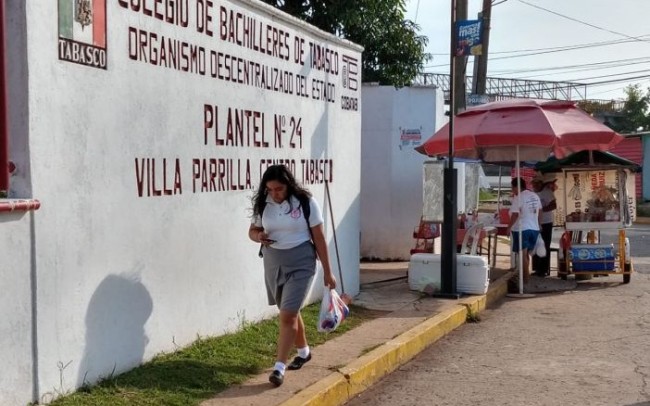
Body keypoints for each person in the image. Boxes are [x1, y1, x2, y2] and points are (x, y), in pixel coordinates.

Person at [249, 164, 337, 387]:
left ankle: (279, 367)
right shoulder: (263, 204)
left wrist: (328, 271)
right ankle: (304, 351)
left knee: (287, 315)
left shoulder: (306, 202)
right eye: (269, 189)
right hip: (273, 262)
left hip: (302, 262)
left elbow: (318, 237)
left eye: (279, 189)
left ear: (288, 185)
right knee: (288, 310)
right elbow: (251, 231)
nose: (274, 194)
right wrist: (259, 236)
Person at [506, 177, 542, 284]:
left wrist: (508, 227)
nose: (512, 190)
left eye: (513, 188)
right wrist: (539, 225)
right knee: (526, 255)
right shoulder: (535, 196)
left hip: (522, 229)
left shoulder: (519, 197)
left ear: (517, 187)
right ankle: (525, 277)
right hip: (534, 229)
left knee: (522, 256)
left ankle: (524, 281)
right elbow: (540, 211)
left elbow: (515, 214)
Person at [531, 173, 557, 277]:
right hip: (535, 222)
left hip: (546, 222)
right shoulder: (533, 193)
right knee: (535, 245)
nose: (535, 186)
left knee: (545, 245)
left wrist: (542, 210)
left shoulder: (547, 192)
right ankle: (536, 268)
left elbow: (554, 205)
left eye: (537, 184)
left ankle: (543, 269)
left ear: (541, 184)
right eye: (534, 184)